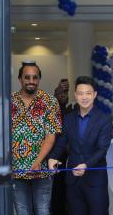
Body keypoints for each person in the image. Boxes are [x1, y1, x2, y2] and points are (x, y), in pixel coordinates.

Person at [48, 76, 112, 215]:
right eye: (80, 93)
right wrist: (53, 157)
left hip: (95, 181)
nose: (84, 97)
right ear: (75, 95)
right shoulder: (68, 118)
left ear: (94, 94)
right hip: (73, 181)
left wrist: (86, 165)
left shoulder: (104, 119)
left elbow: (102, 149)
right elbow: (61, 143)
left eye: (88, 93)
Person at [11, 61, 62, 215]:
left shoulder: (50, 101)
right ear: (20, 79)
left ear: (39, 79)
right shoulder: (9, 102)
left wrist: (38, 161)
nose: (31, 81)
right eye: (27, 77)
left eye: (35, 77)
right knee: (22, 212)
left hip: (41, 170)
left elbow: (51, 136)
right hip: (16, 170)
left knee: (42, 211)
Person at [51, 78, 72, 215]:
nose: (63, 96)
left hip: (68, 157)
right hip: (54, 155)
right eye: (61, 93)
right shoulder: (53, 110)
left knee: (66, 190)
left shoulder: (70, 111)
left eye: (66, 93)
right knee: (56, 191)